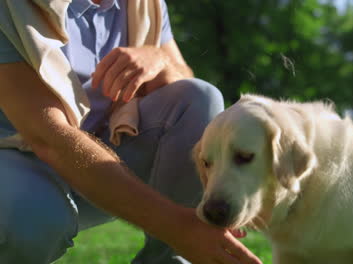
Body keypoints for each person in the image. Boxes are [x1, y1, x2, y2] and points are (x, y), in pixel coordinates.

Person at [0, 0, 262, 264]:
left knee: (200, 95)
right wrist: (177, 227)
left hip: (104, 150)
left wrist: (158, 58)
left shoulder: (144, 4)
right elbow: (49, 137)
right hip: (17, 158)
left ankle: (167, 259)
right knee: (29, 220)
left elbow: (184, 75)